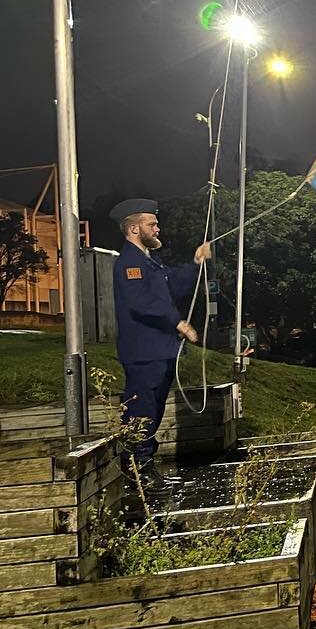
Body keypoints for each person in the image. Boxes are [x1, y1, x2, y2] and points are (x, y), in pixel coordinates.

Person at [110, 199, 211, 481]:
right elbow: (141, 303)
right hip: (144, 353)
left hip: (160, 350)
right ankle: (137, 471)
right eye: (151, 224)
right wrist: (177, 322)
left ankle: (145, 468)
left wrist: (195, 263)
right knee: (141, 412)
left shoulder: (149, 262)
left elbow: (173, 284)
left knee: (152, 410)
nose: (157, 228)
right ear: (133, 228)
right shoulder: (129, 263)